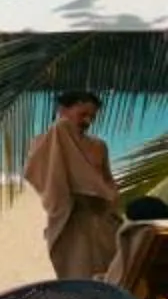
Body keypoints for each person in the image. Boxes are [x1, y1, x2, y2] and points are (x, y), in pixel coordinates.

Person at [24, 89, 122, 279]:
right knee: (76, 277)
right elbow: (37, 175)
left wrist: (108, 198)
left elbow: (108, 182)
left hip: (101, 221)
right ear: (62, 110)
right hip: (70, 220)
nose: (87, 121)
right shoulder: (46, 142)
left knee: (105, 279)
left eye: (92, 117)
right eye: (82, 114)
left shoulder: (98, 146)